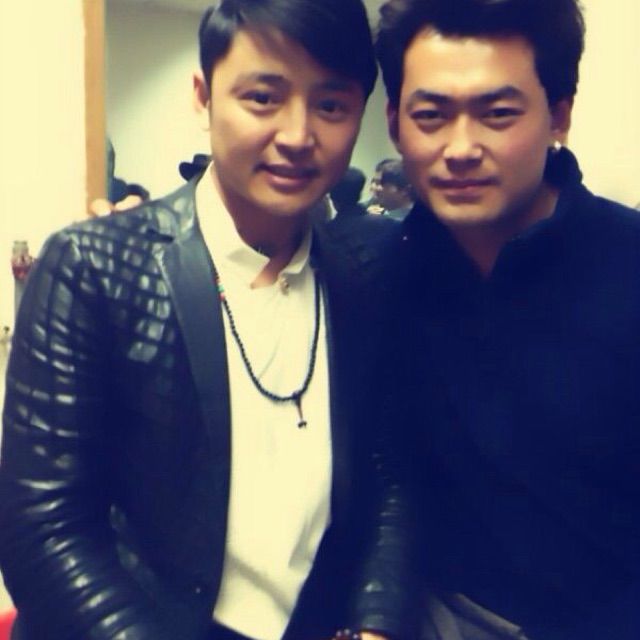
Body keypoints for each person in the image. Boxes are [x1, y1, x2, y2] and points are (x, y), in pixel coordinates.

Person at [0, 2, 413, 639]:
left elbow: (388, 475)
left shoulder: (363, 276)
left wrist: (376, 621)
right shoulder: (92, 267)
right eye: (263, 98)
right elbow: (42, 527)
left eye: (331, 105)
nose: (297, 134)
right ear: (203, 96)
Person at [369, 0, 640, 638]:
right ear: (395, 123)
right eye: (431, 116)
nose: (461, 149)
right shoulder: (376, 272)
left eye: (497, 114)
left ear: (559, 115)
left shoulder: (628, 264)